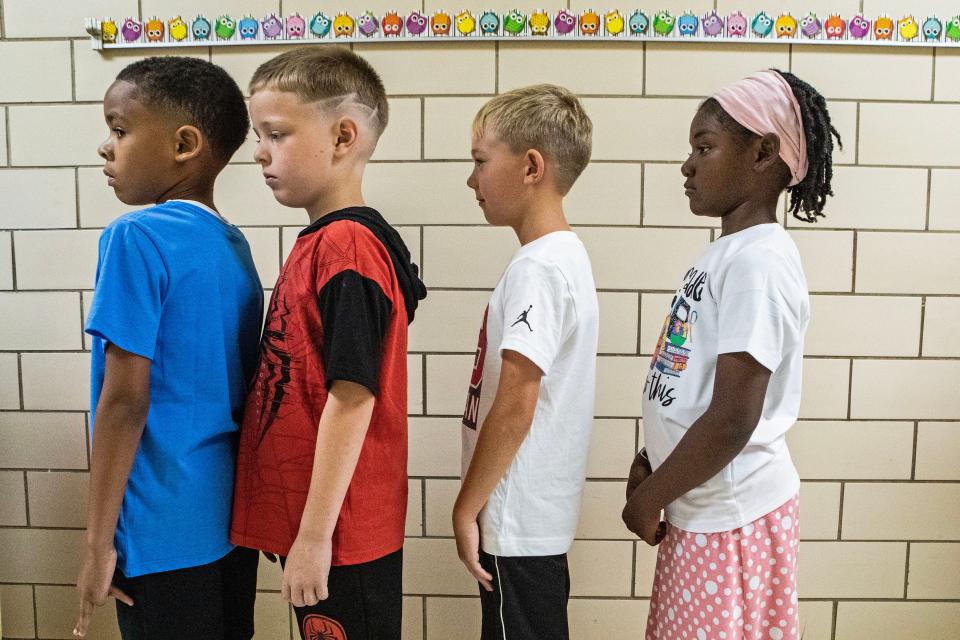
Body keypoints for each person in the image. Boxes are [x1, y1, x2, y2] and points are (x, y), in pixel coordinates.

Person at [622, 69, 841, 639]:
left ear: (763, 152)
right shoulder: (729, 255)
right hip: (701, 505)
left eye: (704, 146)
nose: (687, 165)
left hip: (731, 518)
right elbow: (690, 381)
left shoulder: (759, 263)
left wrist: (648, 498)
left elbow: (733, 417)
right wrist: (653, 457)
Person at [229, 47, 426, 640]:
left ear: (343, 136)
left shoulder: (347, 248)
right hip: (326, 526)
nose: (260, 152)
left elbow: (353, 393)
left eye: (277, 134)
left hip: (340, 533)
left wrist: (314, 535)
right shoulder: (328, 243)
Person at [75, 57, 262, 639]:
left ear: (184, 144)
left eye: (120, 129)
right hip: (226, 520)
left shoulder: (136, 237)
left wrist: (97, 543)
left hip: (158, 527)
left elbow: (125, 401)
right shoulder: (233, 245)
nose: (106, 147)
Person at [453, 84, 599, 640]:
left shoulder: (540, 268)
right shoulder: (563, 257)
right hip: (532, 521)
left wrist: (466, 508)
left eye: (481, 161)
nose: (473, 179)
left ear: (531, 166)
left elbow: (517, 401)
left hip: (516, 523)